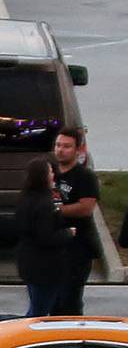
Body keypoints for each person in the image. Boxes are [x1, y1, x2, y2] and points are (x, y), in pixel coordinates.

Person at [16, 154, 84, 318]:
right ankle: (26, 339)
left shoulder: (24, 198)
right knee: (39, 311)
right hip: (45, 268)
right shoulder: (45, 204)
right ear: (43, 177)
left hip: (28, 262)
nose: (53, 174)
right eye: (49, 172)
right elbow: (46, 237)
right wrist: (68, 233)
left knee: (36, 306)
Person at [49, 127, 101, 301]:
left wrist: (55, 210)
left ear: (77, 150)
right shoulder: (49, 173)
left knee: (69, 298)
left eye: (66, 146)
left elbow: (86, 207)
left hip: (78, 247)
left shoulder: (85, 176)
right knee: (52, 300)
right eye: (58, 145)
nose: (60, 150)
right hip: (54, 244)